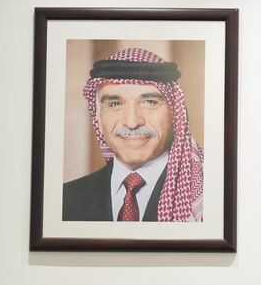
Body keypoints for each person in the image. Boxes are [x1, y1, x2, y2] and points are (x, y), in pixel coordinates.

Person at [62, 47, 204, 222]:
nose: (132, 122)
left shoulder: (205, 197)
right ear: (98, 116)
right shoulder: (66, 199)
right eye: (115, 104)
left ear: (175, 113)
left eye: (150, 102)